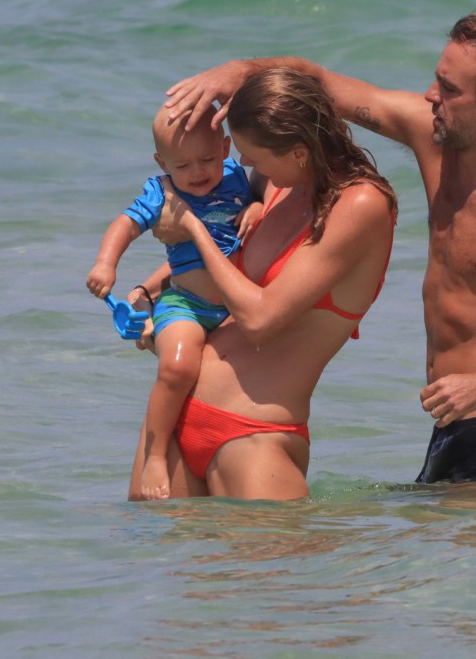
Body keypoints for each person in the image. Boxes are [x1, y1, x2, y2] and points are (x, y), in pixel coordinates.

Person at [164, 13, 476, 484]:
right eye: (437, 79)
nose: (431, 95)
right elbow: (319, 83)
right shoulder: (430, 136)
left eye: (450, 89)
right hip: (453, 422)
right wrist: (240, 71)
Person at [126, 67, 397, 500]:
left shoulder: (360, 204)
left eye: (252, 154)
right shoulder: (277, 184)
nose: (245, 165)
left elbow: (260, 321)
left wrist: (191, 227)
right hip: (175, 418)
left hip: (251, 433)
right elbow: (225, 253)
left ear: (299, 151)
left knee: (282, 549)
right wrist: (152, 298)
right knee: (144, 545)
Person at [87, 104, 262, 500]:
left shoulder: (237, 177)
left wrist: (256, 206)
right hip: (186, 305)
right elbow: (125, 224)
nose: (197, 173)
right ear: (162, 163)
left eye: (208, 159)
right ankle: (155, 455)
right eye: (182, 165)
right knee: (178, 368)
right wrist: (105, 264)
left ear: (226, 148)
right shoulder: (162, 192)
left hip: (234, 309)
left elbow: (261, 198)